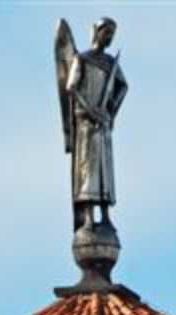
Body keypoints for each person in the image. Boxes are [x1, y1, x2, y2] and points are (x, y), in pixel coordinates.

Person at [64, 18, 127, 230]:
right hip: (86, 123)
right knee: (89, 168)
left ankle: (106, 215)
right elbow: (71, 86)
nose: (109, 37)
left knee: (104, 169)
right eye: (106, 32)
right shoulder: (82, 58)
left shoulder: (110, 63)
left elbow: (123, 87)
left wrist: (111, 109)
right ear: (96, 32)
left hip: (103, 122)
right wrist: (89, 109)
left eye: (112, 34)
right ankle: (89, 216)